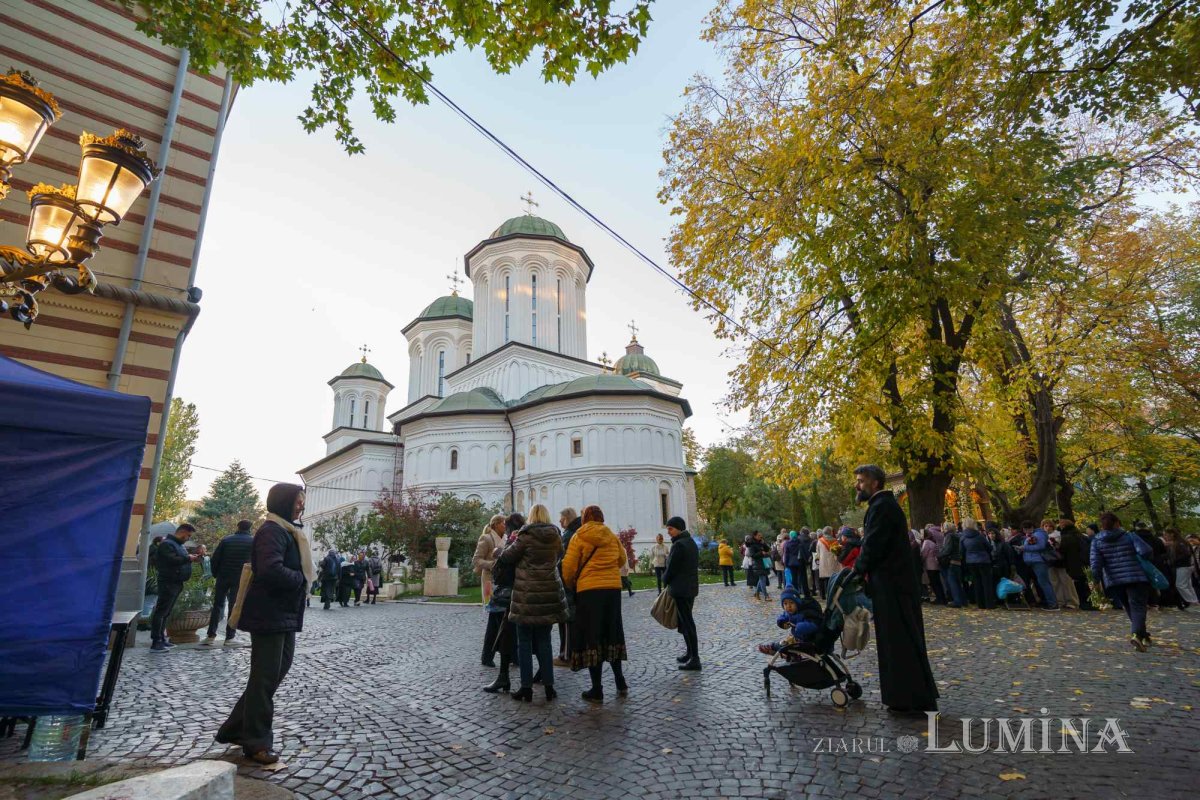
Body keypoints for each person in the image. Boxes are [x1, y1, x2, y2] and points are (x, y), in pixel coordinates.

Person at [216, 483, 313, 765]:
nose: (301, 506)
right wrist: (300, 580)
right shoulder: (272, 531)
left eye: (302, 501)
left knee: (273, 673)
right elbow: (270, 569)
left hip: (282, 614)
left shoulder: (287, 530)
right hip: (269, 614)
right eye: (297, 500)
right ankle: (256, 742)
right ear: (283, 502)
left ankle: (236, 728)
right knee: (265, 678)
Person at [851, 465, 938, 715]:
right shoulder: (882, 506)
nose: (857, 486)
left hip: (892, 586)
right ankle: (906, 697)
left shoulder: (882, 507)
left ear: (875, 483)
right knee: (897, 640)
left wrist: (857, 569)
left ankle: (910, 698)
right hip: (892, 584)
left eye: (860, 481)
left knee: (899, 641)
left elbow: (874, 544)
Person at [496, 504, 567, 703]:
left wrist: (504, 549)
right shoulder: (555, 536)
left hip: (526, 596)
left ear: (531, 517)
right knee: (545, 642)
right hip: (549, 594)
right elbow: (559, 556)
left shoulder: (525, 536)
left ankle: (526, 688)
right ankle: (549, 687)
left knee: (524, 642)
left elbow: (507, 557)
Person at [562, 505, 629, 702]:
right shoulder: (610, 535)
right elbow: (621, 559)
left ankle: (597, 688)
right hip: (612, 591)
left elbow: (568, 567)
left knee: (593, 636)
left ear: (585, 518)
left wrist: (574, 582)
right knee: (612, 632)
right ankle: (620, 681)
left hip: (589, 591)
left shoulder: (579, 536)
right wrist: (607, 570)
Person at [1091, 511, 1153, 651]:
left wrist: (1095, 581)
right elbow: (1146, 551)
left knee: (1129, 607)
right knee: (1137, 606)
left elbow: (1095, 563)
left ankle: (1143, 636)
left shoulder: (1097, 541)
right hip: (1136, 576)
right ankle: (1137, 634)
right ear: (1117, 523)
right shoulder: (1129, 536)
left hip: (1114, 580)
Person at [149, 523, 200, 653]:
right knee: (161, 611)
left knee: (166, 612)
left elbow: (179, 558)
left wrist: (190, 558)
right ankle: (156, 641)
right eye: (188, 535)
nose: (188, 538)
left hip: (176, 581)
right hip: (168, 581)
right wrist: (188, 558)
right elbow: (172, 559)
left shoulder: (178, 544)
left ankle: (162, 638)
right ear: (182, 532)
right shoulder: (167, 544)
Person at [205, 520, 255, 646]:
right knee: (234, 605)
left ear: (238, 527)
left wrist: (216, 573)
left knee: (217, 605)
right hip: (240, 578)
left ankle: (211, 635)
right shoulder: (253, 541)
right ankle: (229, 637)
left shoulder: (226, 540)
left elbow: (215, 559)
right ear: (250, 529)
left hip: (223, 576)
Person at [663, 516, 701, 671]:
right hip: (690, 588)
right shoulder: (690, 542)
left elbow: (671, 568)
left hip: (681, 589)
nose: (668, 532)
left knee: (687, 623)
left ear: (678, 528)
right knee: (685, 622)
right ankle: (690, 653)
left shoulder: (679, 545)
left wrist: (664, 580)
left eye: (670, 529)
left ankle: (695, 658)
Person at [757, 587, 822, 655]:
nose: (789, 606)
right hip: (797, 638)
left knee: (785, 644)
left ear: (797, 603)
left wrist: (798, 627)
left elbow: (813, 625)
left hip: (807, 640)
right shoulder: (792, 612)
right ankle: (774, 648)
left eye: (791, 603)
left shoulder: (805, 612)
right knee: (786, 642)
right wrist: (781, 622)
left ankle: (773, 648)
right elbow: (784, 615)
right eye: (785, 604)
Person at [556, 508, 582, 666]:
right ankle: (574, 652)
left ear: (568, 518)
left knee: (566, 620)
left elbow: (563, 562)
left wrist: (563, 580)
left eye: (562, 518)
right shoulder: (579, 532)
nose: (560, 521)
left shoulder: (568, 535)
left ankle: (567, 655)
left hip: (568, 584)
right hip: (579, 583)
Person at [1018, 520, 1059, 610]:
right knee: (1042, 582)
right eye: (1024, 530)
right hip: (1033, 560)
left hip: (1038, 560)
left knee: (1044, 582)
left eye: (1026, 529)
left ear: (1031, 527)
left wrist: (1024, 548)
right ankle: (1050, 603)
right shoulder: (1032, 535)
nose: (1025, 531)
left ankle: (1053, 604)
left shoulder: (1038, 534)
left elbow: (1040, 546)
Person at [473, 514, 507, 608]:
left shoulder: (507, 538)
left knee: (503, 609)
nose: (506, 526)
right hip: (489, 579)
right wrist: (492, 564)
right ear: (496, 524)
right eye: (504, 523)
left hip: (504, 579)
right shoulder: (486, 538)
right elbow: (476, 560)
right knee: (490, 607)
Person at [1058, 519, 1092, 611]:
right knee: (1084, 583)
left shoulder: (1066, 537)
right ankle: (1088, 602)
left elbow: (1062, 550)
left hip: (1073, 563)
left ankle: (1084, 603)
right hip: (1083, 561)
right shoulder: (1080, 535)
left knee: (1079, 584)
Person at [959, 520, 994, 609]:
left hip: (970, 561)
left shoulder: (963, 537)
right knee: (987, 583)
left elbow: (961, 551)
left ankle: (980, 603)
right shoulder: (979, 536)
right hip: (983, 560)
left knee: (976, 582)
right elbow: (988, 547)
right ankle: (989, 604)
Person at [1164, 527, 1197, 609]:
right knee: (1188, 585)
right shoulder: (1180, 542)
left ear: (1172, 534)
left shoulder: (1180, 543)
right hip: (1185, 566)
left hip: (1183, 566)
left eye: (1167, 535)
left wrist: (1174, 561)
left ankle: (1193, 600)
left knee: (1180, 585)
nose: (1166, 537)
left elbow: (1185, 554)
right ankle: (1194, 600)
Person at [938, 525, 967, 607]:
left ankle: (957, 601)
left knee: (952, 582)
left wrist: (939, 555)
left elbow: (947, 549)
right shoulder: (958, 536)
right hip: (958, 561)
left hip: (951, 561)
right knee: (958, 582)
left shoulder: (949, 536)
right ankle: (963, 600)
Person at [919, 530, 946, 605]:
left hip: (930, 565)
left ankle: (939, 599)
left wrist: (920, 560)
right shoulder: (932, 542)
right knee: (938, 582)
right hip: (935, 564)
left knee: (934, 583)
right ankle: (942, 598)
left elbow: (924, 553)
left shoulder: (926, 542)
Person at [783, 530, 809, 596]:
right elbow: (805, 552)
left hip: (792, 563)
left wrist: (786, 564)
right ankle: (806, 594)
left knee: (794, 579)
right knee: (803, 579)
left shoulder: (787, 544)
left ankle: (796, 593)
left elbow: (786, 555)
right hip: (801, 562)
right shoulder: (800, 542)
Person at [816, 527, 839, 599]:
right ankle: (833, 594)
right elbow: (837, 552)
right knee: (833, 579)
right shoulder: (835, 541)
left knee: (825, 579)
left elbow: (818, 552)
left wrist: (817, 560)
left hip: (823, 563)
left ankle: (825, 595)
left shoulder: (820, 541)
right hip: (833, 562)